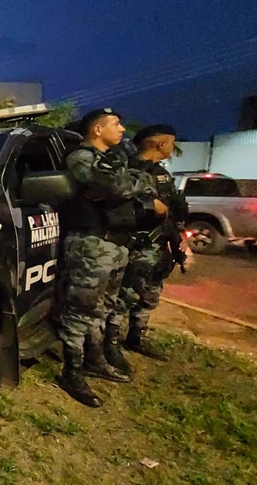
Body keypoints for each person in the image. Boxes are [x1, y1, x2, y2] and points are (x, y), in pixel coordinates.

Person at [56, 108, 166, 408]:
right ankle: (72, 372)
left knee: (103, 308)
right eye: (115, 125)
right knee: (81, 311)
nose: (122, 130)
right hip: (92, 244)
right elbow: (115, 186)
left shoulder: (111, 160)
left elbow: (132, 183)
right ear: (97, 130)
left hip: (115, 244)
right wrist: (138, 185)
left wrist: (134, 183)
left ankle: (94, 360)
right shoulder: (82, 158)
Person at [114, 125, 188, 362]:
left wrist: (179, 239)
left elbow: (175, 208)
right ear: (160, 144)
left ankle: (137, 337)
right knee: (126, 296)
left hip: (160, 245)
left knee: (150, 294)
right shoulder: (129, 173)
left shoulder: (162, 173)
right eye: (171, 142)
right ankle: (110, 343)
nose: (172, 148)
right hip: (138, 244)